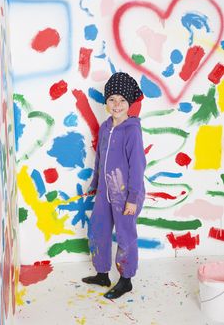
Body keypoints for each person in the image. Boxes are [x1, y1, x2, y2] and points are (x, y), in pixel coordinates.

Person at [82, 72, 146, 299]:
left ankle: (126, 279)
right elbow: (100, 157)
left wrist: (132, 198)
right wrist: (95, 183)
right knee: (98, 230)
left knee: (125, 236)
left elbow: (138, 167)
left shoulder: (132, 131)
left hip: (126, 195)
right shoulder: (105, 126)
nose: (116, 105)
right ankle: (102, 274)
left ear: (129, 103)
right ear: (106, 102)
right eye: (112, 100)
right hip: (104, 192)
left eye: (122, 100)